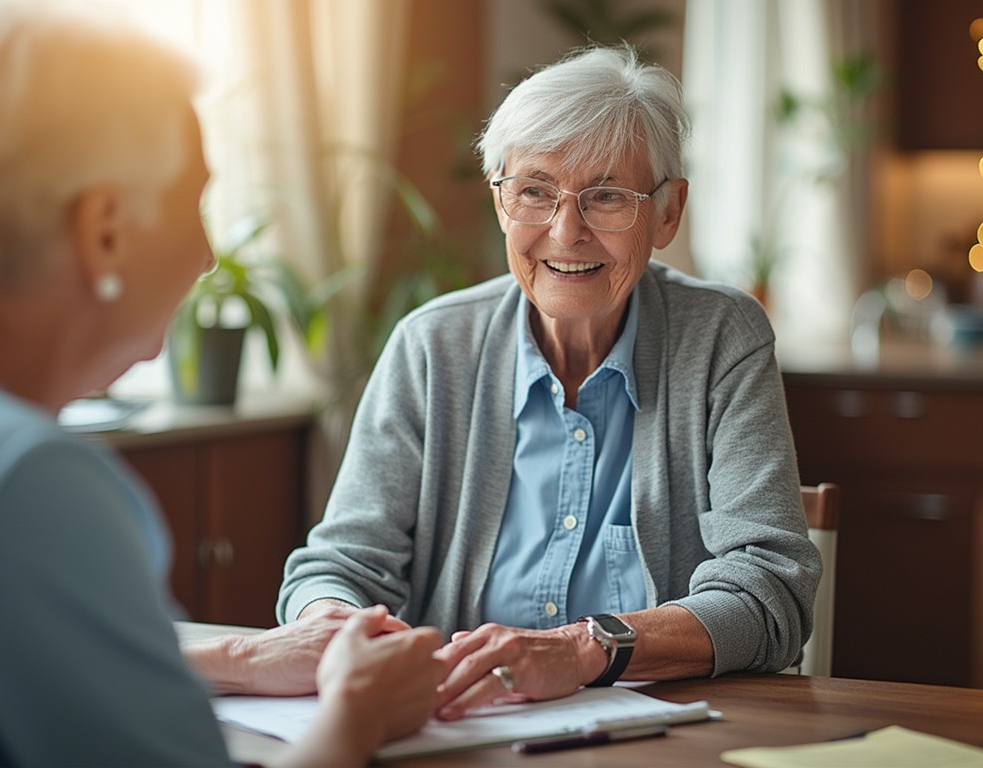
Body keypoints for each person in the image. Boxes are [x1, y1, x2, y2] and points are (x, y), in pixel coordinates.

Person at [0, 1, 444, 766]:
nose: (211, 255)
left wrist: (243, 660)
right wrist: (358, 710)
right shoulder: (29, 484)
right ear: (104, 231)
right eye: (196, 202)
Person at [277, 44, 823, 721]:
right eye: (536, 190)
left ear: (668, 213)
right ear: (502, 203)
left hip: (661, 744)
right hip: (457, 733)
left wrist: (586, 647)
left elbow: (770, 591)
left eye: (607, 197)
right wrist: (334, 626)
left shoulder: (719, 338)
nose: (567, 232)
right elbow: (339, 566)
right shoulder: (432, 345)